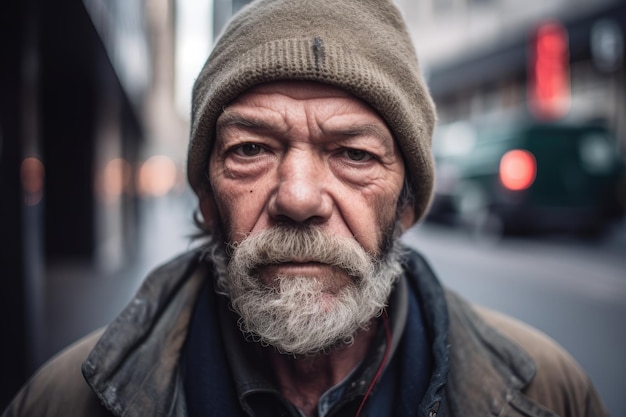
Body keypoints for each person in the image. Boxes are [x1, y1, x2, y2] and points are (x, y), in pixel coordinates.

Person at [2, 0, 609, 416]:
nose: (297, 198)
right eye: (250, 149)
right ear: (208, 199)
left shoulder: (547, 394)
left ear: (406, 204)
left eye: (351, 153)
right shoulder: (60, 401)